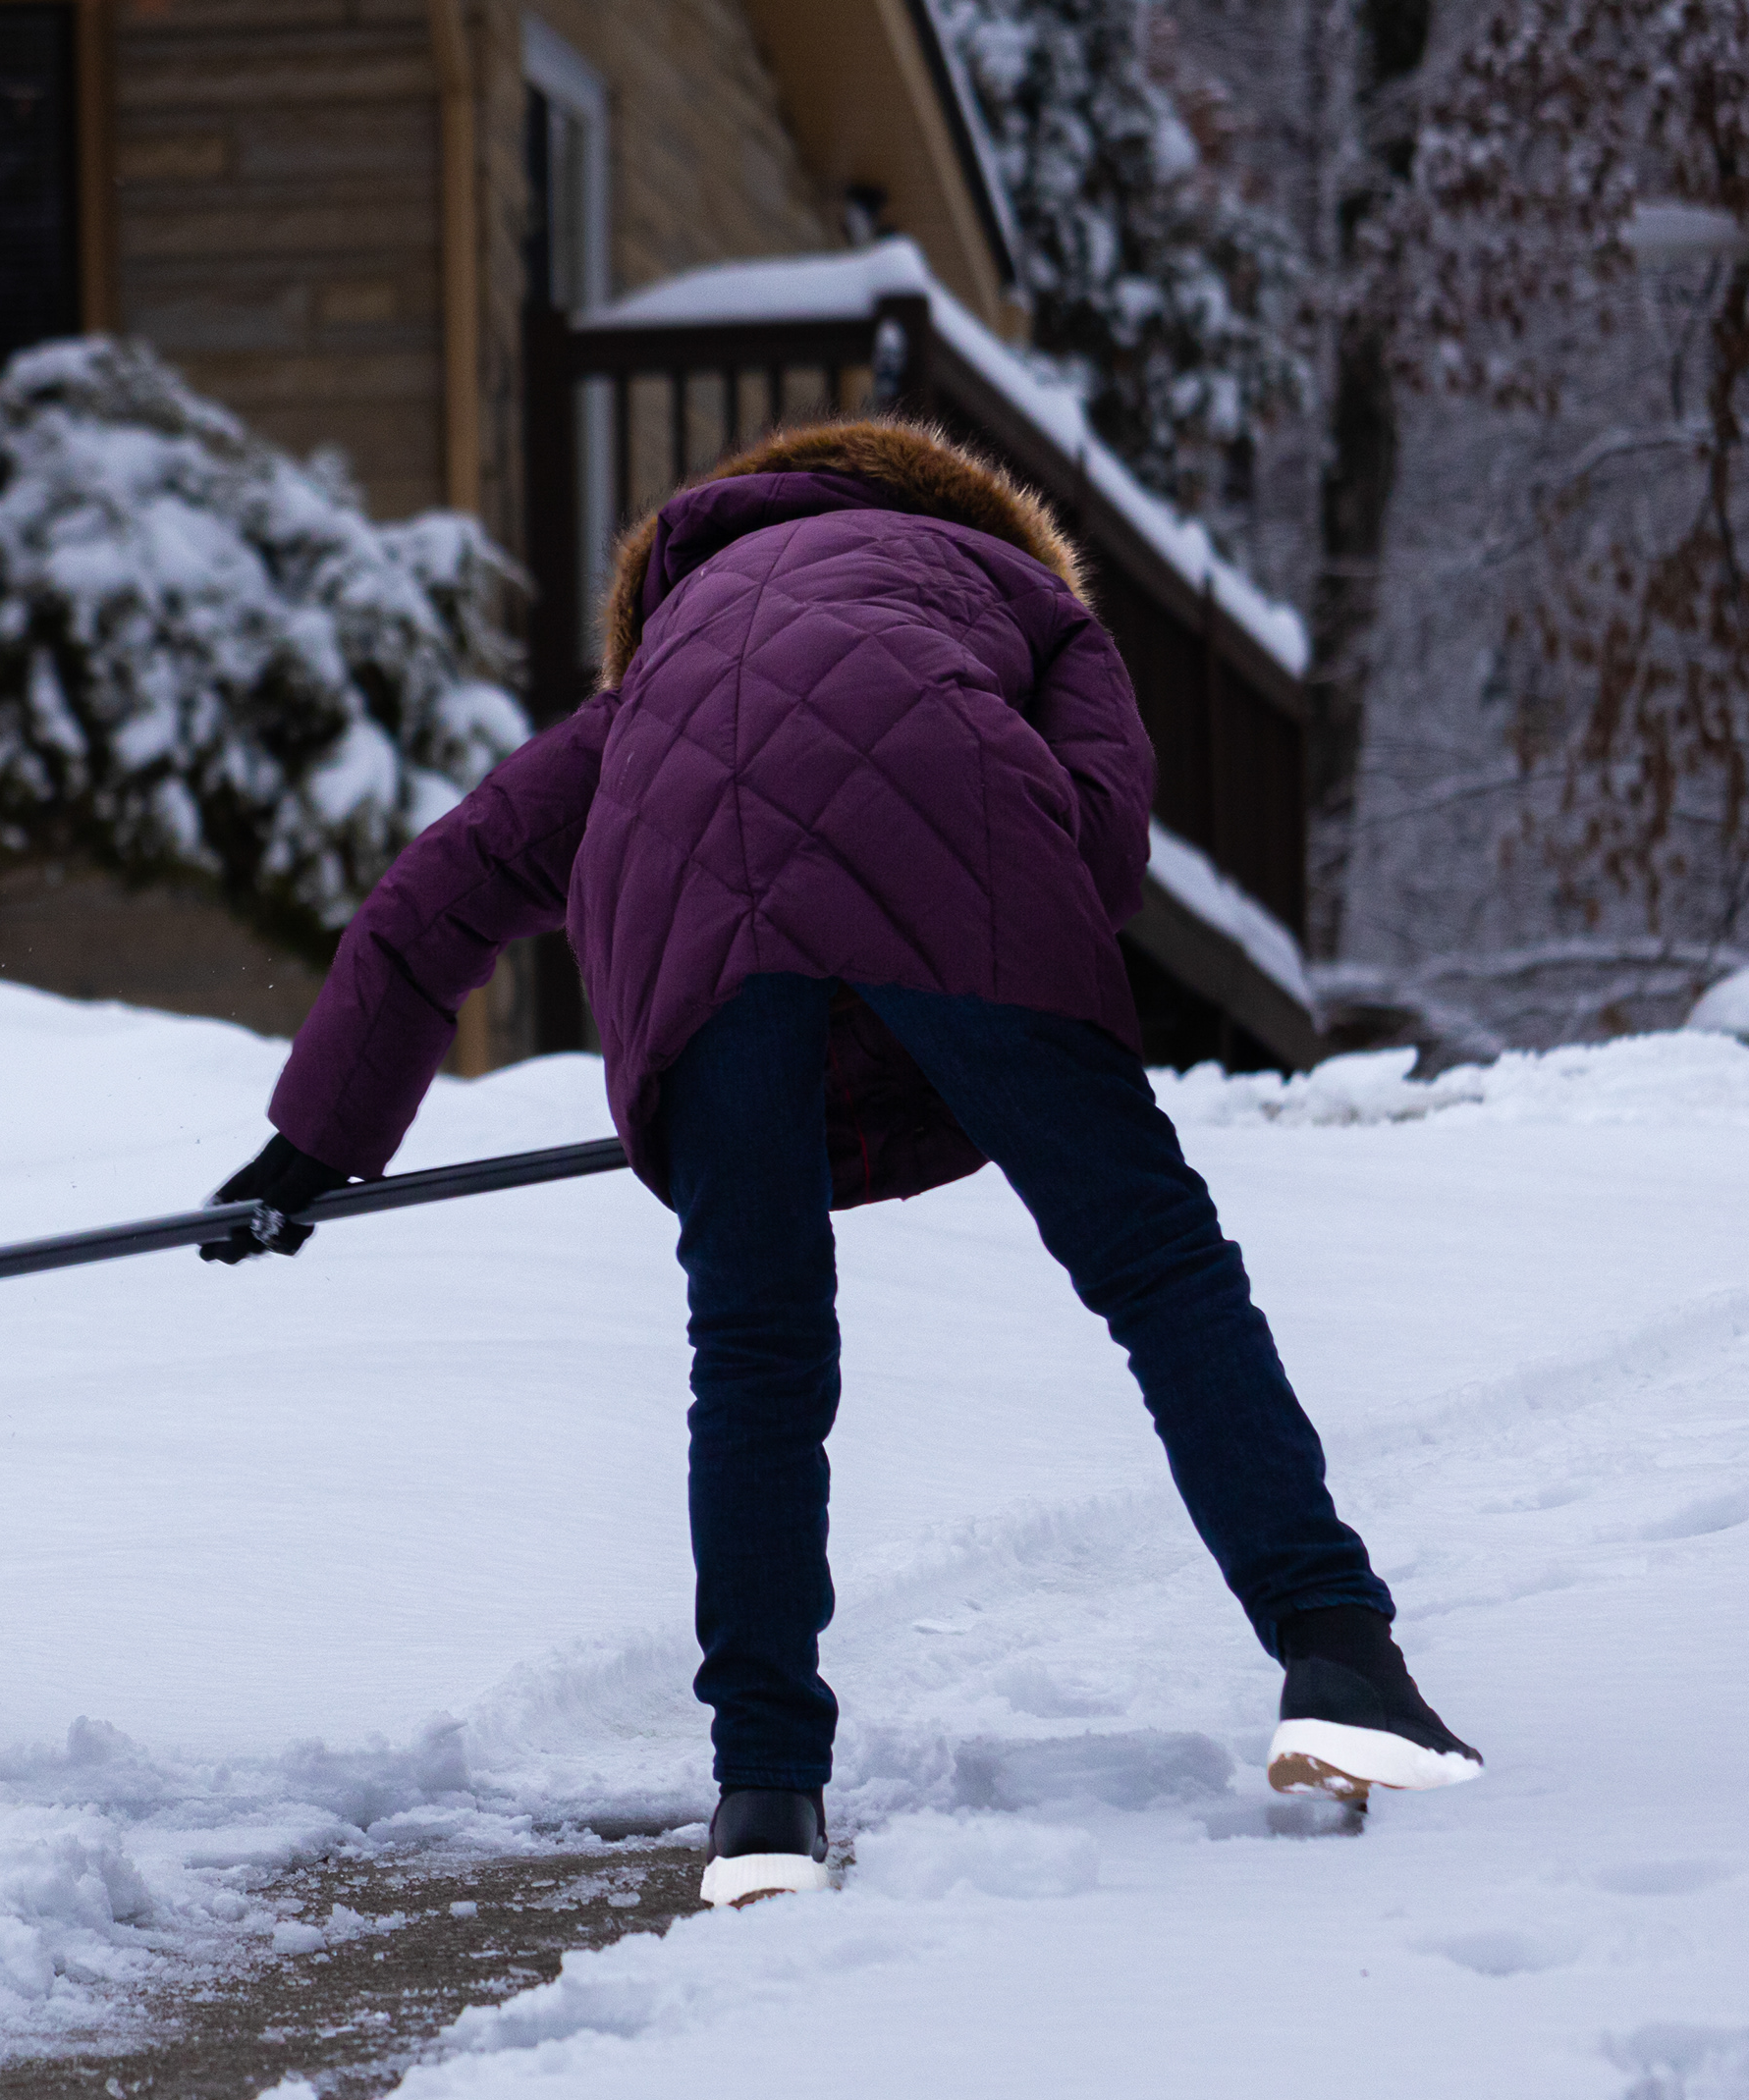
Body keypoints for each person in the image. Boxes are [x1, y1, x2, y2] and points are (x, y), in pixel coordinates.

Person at [200, 416, 1481, 1910]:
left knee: (752, 1351)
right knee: (1159, 1268)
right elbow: (1101, 844)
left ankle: (762, 1797)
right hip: (966, 843)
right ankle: (1338, 1653)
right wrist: (954, 983)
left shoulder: (658, 678)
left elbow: (438, 895)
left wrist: (312, 1147)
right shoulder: (1026, 604)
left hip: (701, 942)